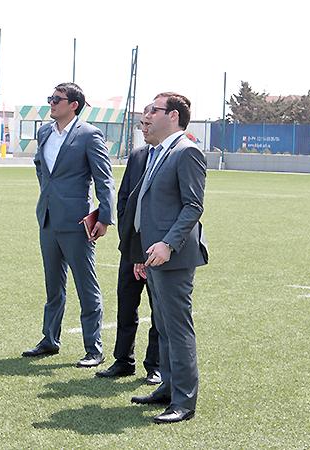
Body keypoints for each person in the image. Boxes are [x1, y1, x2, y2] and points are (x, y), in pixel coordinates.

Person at [119, 92, 208, 424]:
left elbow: (193, 206)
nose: (147, 116)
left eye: (154, 110)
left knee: (177, 328)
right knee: (166, 328)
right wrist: (142, 252)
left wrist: (168, 244)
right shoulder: (159, 152)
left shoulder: (187, 151)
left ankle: (184, 401)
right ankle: (168, 387)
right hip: (153, 255)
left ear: (173, 116)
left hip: (173, 256)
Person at [23, 82, 115, 368]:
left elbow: (104, 179)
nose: (51, 103)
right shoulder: (44, 132)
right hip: (48, 218)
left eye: (57, 99)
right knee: (53, 287)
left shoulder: (89, 135)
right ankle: (50, 339)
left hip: (77, 222)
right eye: (50, 98)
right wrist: (48, 195)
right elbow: (41, 167)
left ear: (73, 105)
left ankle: (93, 349)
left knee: (86, 287)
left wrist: (104, 217)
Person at [96, 108, 160, 384]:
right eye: (141, 123)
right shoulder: (138, 156)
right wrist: (131, 246)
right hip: (131, 248)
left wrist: (148, 250)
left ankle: (155, 366)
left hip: (158, 251)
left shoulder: (174, 155)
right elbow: (124, 200)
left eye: (148, 124)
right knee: (126, 306)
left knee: (159, 312)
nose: (143, 128)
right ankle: (123, 361)